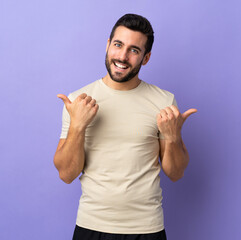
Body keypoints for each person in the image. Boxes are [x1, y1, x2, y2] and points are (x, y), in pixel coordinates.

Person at [53, 13, 197, 240]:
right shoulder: (78, 101)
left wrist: (173, 137)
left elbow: (176, 173)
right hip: (91, 225)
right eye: (118, 45)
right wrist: (77, 126)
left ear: (146, 58)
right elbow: (66, 174)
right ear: (108, 44)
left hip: (146, 229)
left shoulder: (164, 101)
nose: (122, 56)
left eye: (134, 50)